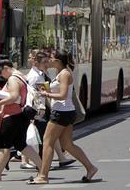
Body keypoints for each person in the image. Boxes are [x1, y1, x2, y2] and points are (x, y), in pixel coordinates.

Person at [26, 50, 97, 185]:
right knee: (67, 144)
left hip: (61, 112)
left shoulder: (64, 74)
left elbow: (63, 95)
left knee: (48, 143)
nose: (48, 60)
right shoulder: (60, 73)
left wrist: (46, 94)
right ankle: (91, 168)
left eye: (51, 58)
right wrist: (48, 91)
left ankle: (43, 176)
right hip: (65, 112)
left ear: (58, 61)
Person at [0, 59, 42, 182]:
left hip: (12, 118)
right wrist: (2, 111)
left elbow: (14, 96)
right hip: (20, 116)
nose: (0, 76)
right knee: (22, 145)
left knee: (4, 146)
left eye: (0, 72)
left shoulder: (12, 79)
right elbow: (16, 98)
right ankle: (43, 168)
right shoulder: (22, 76)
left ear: (6, 68)